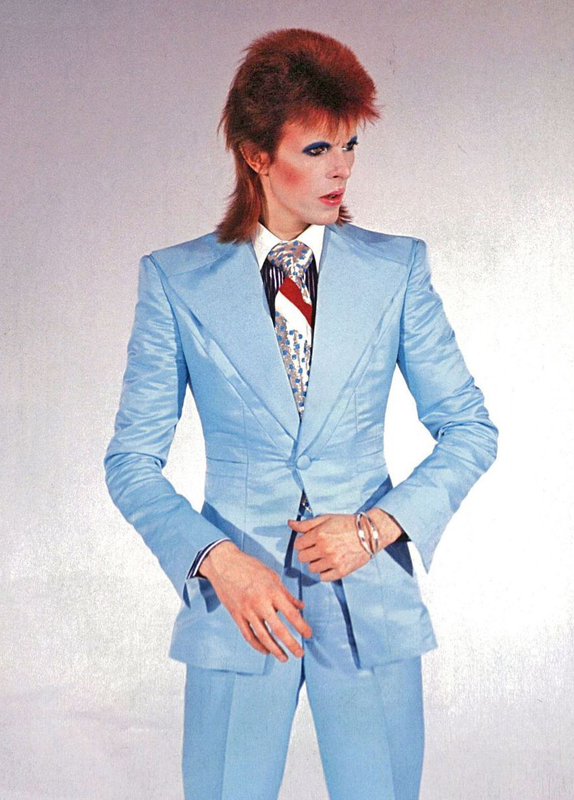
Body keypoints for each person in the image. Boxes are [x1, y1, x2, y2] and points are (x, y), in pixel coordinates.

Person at [104, 27, 499, 800]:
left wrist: (374, 529)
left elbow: (470, 429)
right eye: (317, 149)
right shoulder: (177, 281)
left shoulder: (396, 269)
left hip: (370, 600)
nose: (341, 168)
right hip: (240, 606)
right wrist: (218, 562)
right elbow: (130, 463)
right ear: (256, 154)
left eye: (349, 146)